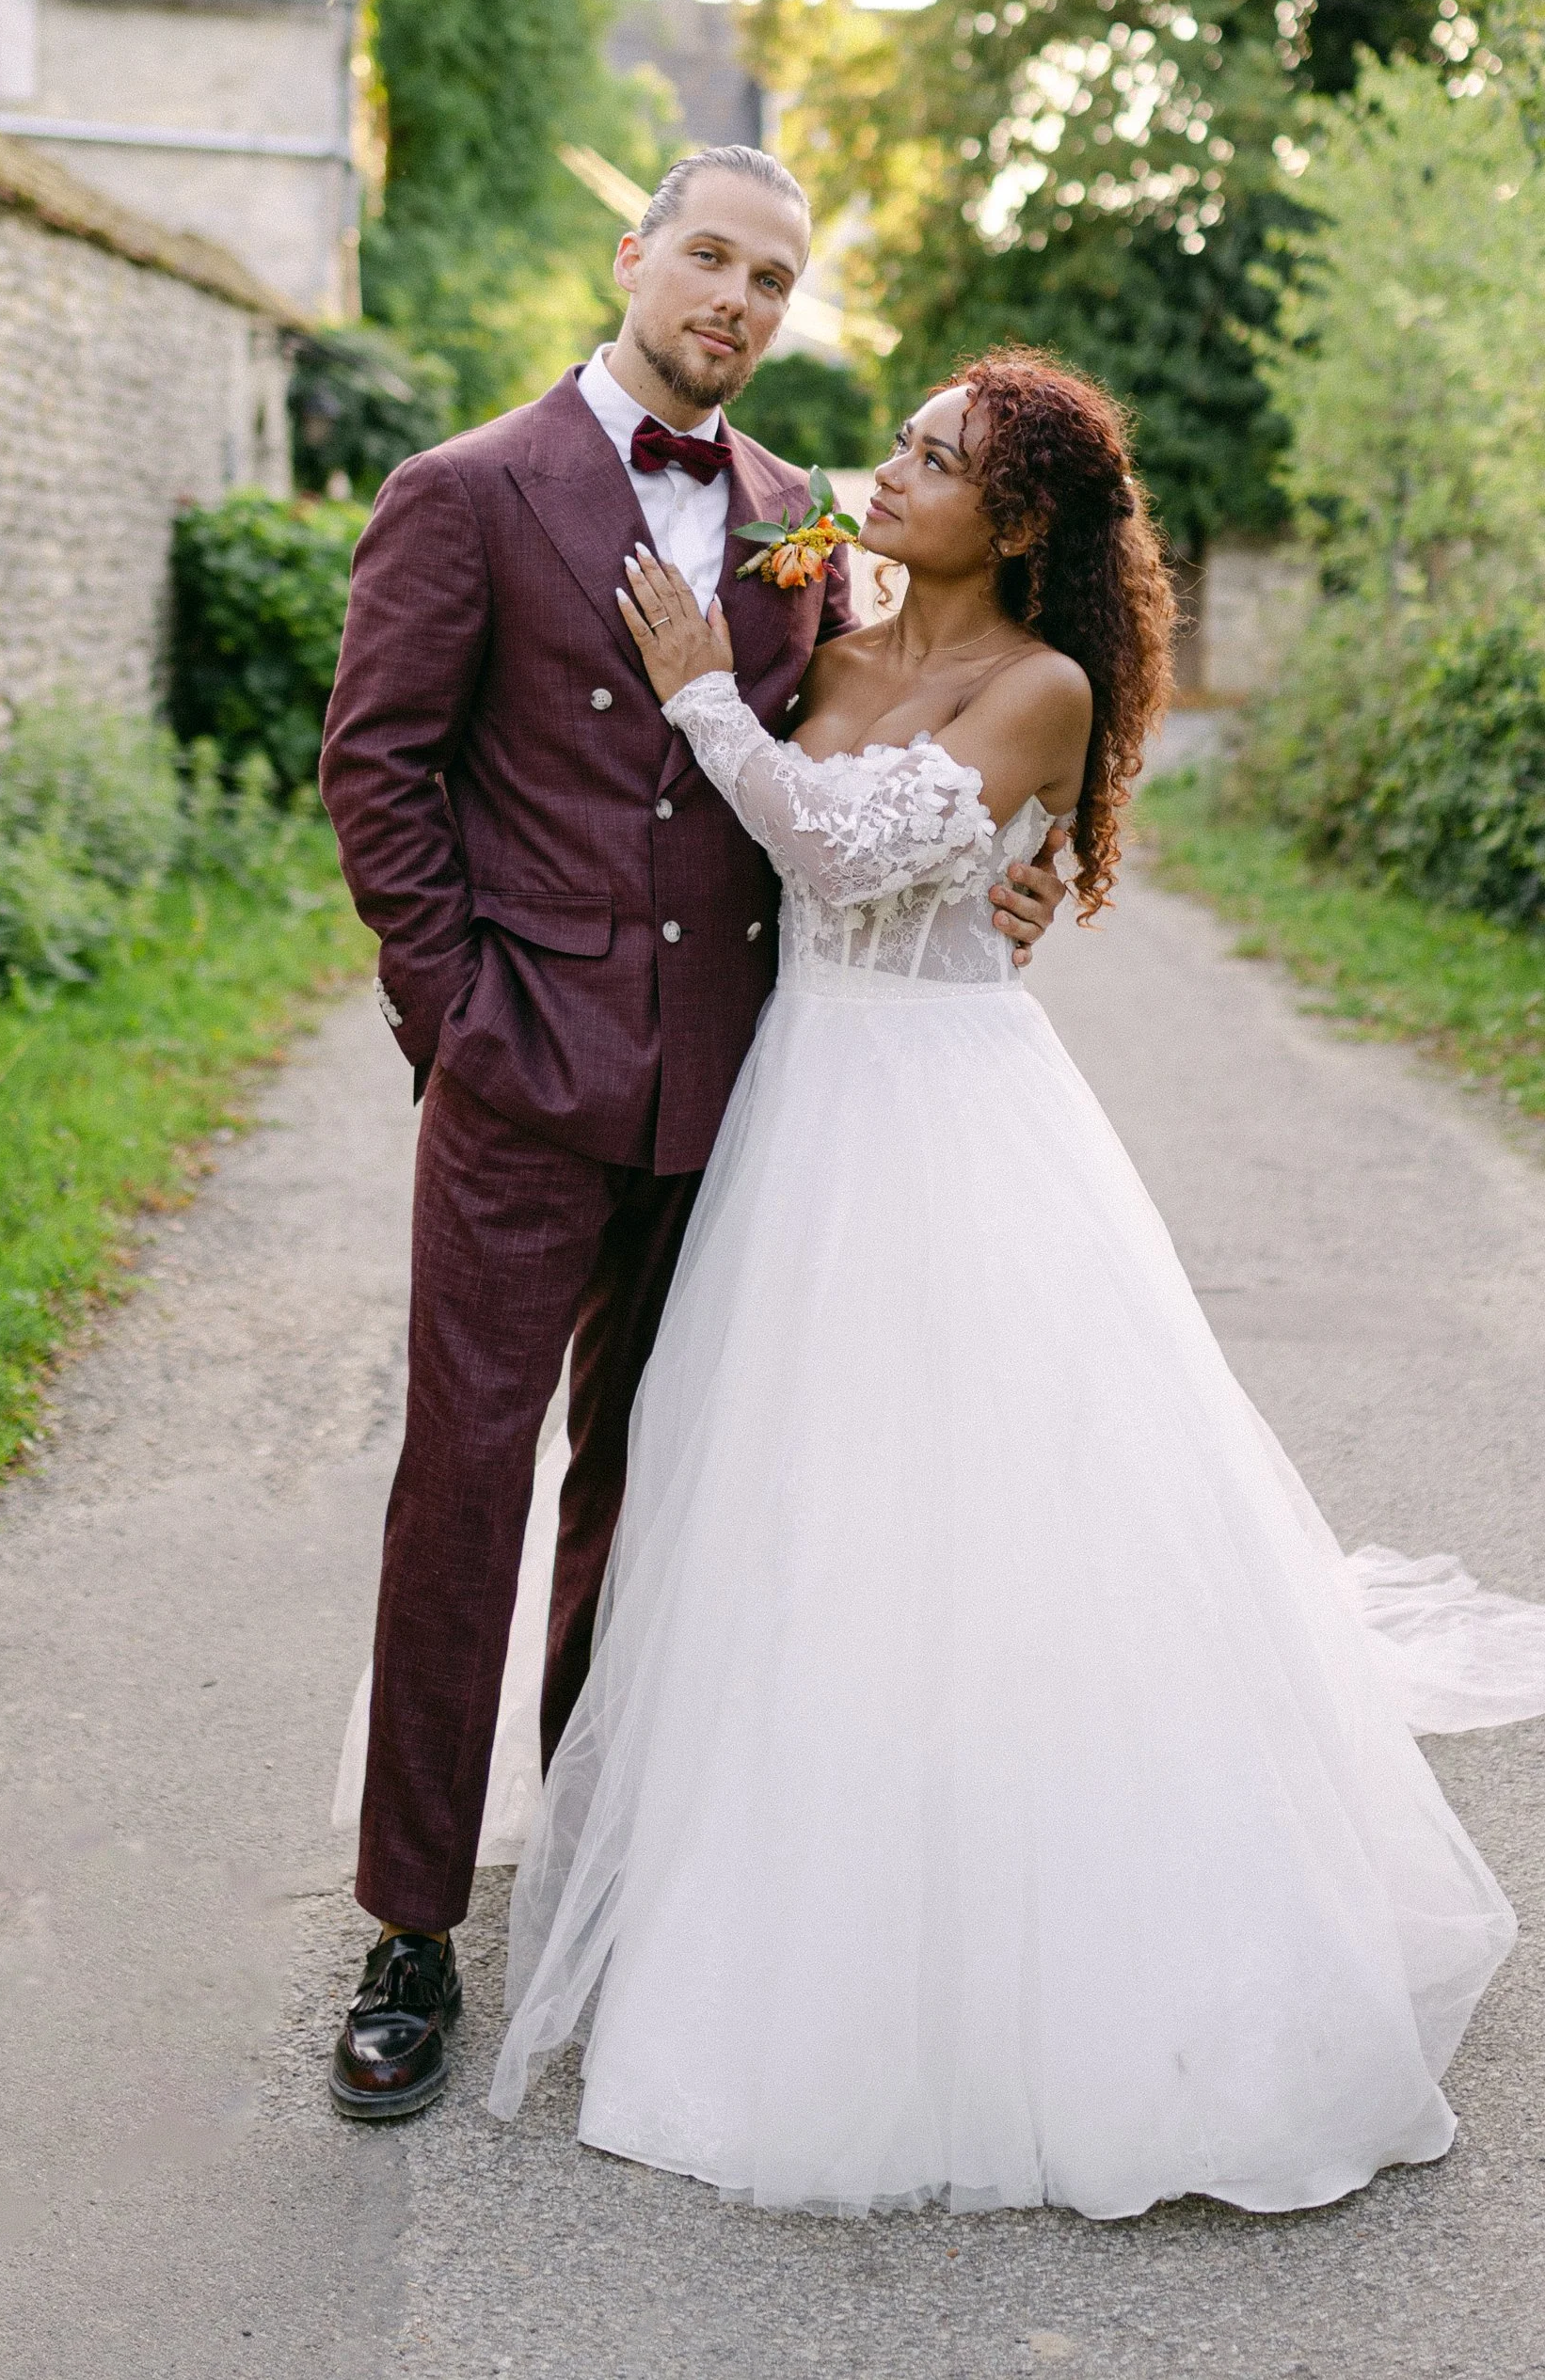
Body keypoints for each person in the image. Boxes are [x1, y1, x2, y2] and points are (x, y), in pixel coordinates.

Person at [486, 347, 1545, 2220]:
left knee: (1000, 1522)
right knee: (806, 1516)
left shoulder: (1042, 685)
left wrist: (701, 697)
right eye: (903, 440)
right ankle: (788, 1893)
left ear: (1016, 520)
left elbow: (831, 843)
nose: (890, 471)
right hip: (797, 1113)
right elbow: (756, 857)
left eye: (936, 458)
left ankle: (1044, 1929)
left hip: (948, 1124)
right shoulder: (822, 643)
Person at [315, 150, 1069, 2121]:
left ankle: (598, 1866)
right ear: (634, 256)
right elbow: (377, 774)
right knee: (465, 1486)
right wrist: (457, 1024)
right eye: (709, 257)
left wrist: (1030, 865)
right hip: (520, 1087)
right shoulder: (466, 491)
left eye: (773, 276)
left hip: (740, 1091)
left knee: (652, 1499)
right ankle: (410, 1925)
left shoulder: (806, 523)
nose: (736, 297)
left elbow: (920, 732)